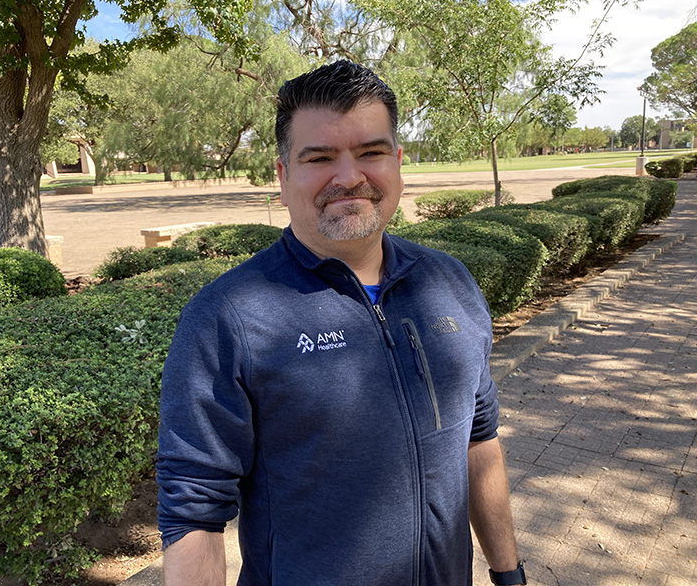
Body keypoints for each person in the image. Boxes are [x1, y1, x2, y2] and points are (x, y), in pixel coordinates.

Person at [156, 60, 526, 586]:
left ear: (397, 162)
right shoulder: (229, 315)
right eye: (320, 157)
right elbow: (193, 509)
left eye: (371, 152)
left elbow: (478, 439)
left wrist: (508, 572)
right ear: (283, 177)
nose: (349, 176)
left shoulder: (450, 282)